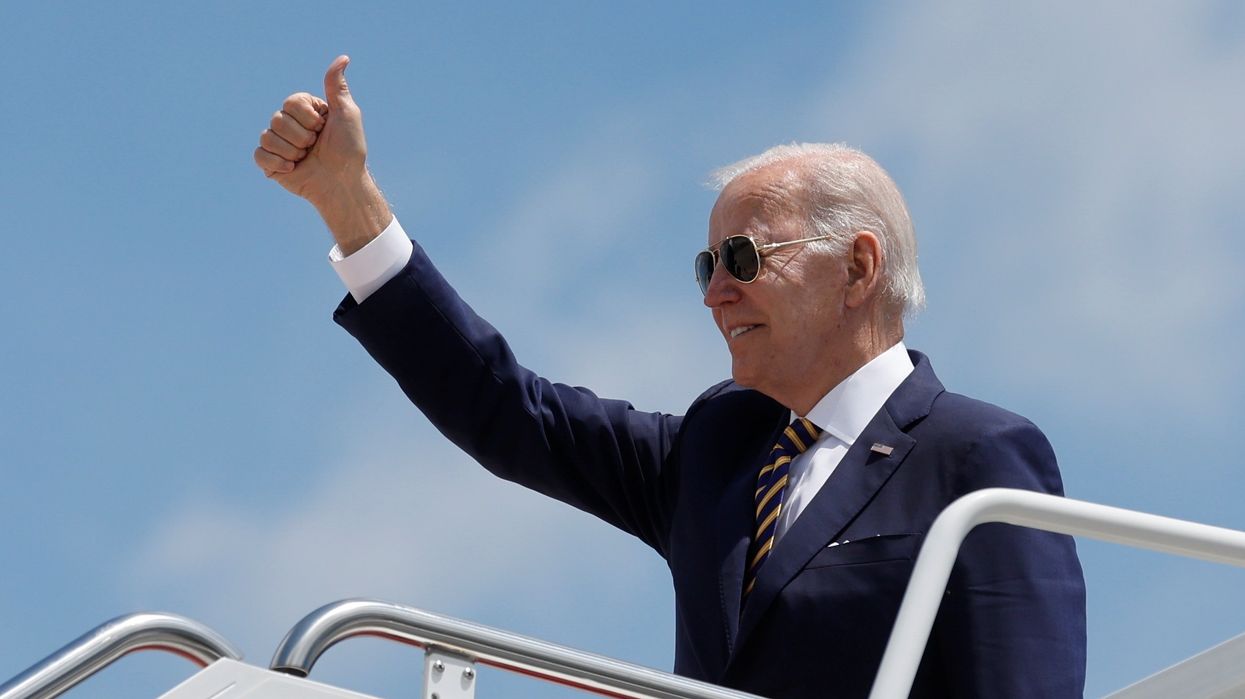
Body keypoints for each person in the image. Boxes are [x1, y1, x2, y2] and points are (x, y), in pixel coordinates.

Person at [255, 56, 1087, 698]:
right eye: (705, 265)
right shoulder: (717, 451)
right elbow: (508, 409)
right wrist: (349, 202)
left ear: (857, 266)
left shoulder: (975, 456)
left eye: (742, 258)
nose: (715, 291)